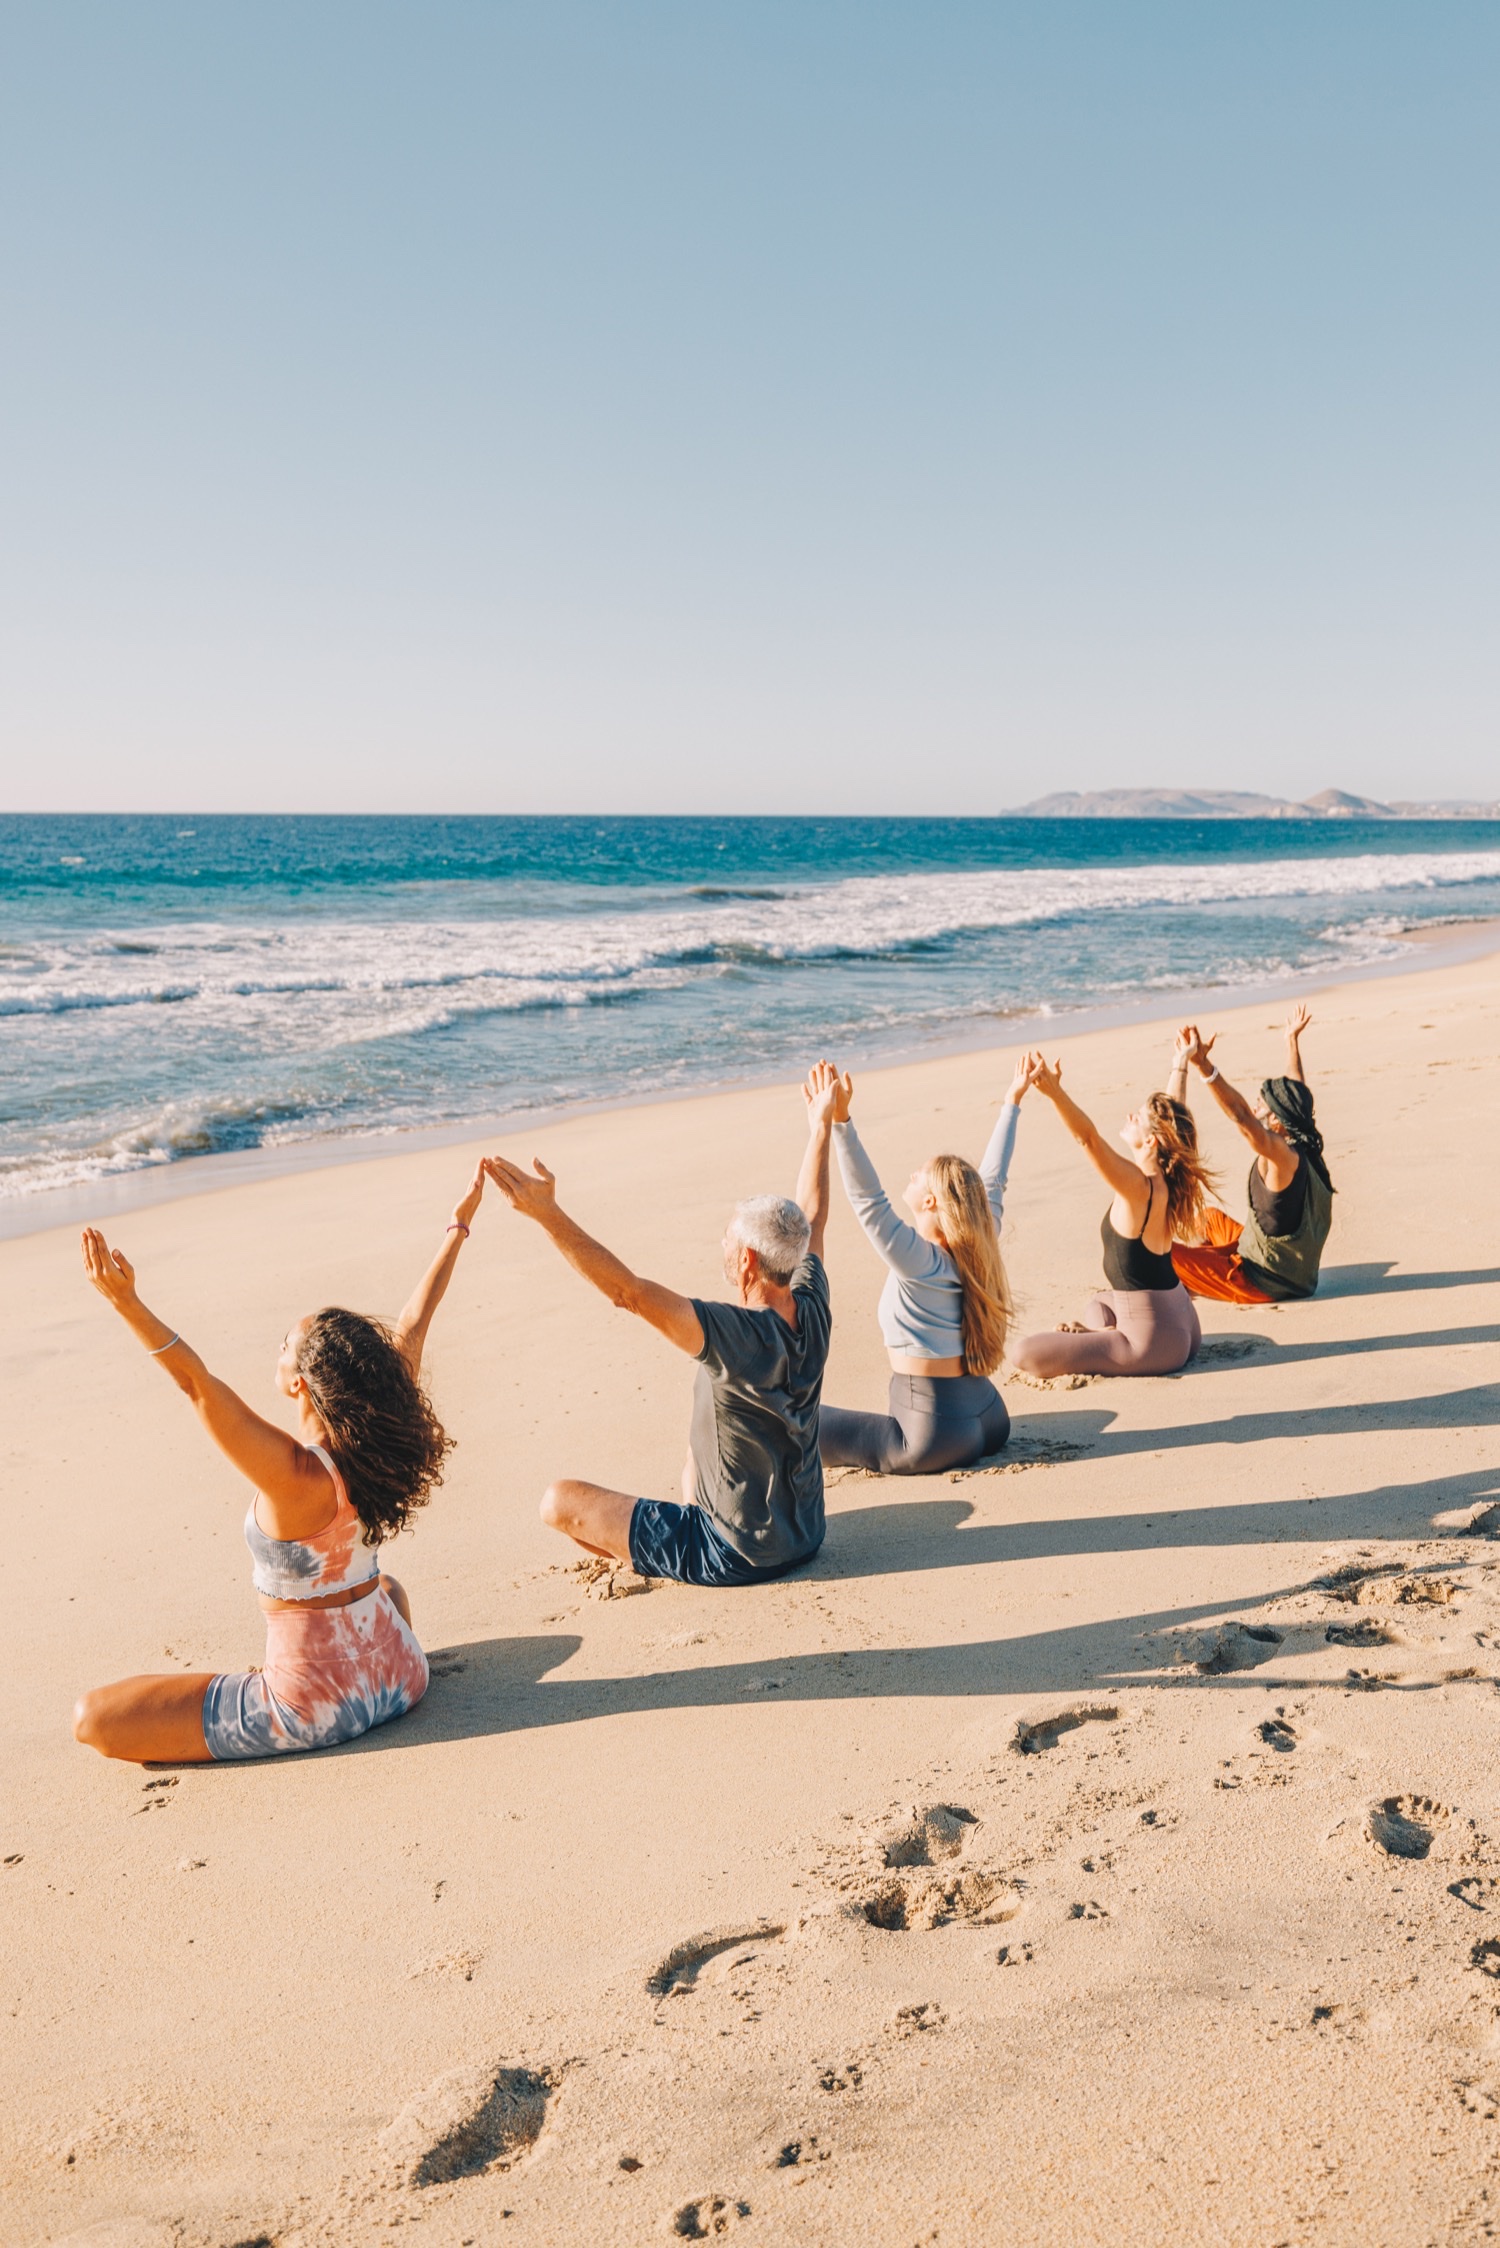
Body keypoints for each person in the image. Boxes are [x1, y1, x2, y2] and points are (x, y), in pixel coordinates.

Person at [72, 1167, 484, 1763]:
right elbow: (416, 1321)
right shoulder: (376, 1439)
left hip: (307, 1709)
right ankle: (359, 1662)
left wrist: (127, 1303)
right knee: (386, 1586)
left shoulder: (295, 1474)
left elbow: (196, 1384)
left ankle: (305, 1678)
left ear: (302, 1385)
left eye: (285, 1346)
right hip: (403, 1679)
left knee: (93, 1719)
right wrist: (458, 1226)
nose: (279, 1348)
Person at [483, 1065, 837, 1586]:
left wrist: (546, 1214)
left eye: (727, 1241)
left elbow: (627, 1292)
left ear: (747, 1263)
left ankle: (662, 1552)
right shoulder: (811, 1303)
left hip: (734, 1554)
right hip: (805, 1534)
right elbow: (814, 1215)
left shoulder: (734, 1335)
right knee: (694, 1453)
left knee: (558, 1503)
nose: (721, 1245)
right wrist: (820, 1126)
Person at [817, 1056, 1033, 1474]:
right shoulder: (978, 1243)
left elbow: (869, 1203)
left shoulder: (921, 1261)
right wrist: (1012, 1101)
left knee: (787, 1424)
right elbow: (992, 1179)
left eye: (921, 1175)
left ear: (932, 1202)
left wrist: (841, 1123)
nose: (913, 1174)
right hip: (988, 1413)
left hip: (931, 1434)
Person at [1009, 1052, 1211, 1377]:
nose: (1130, 1115)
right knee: (1099, 1304)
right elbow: (1177, 1118)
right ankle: (1104, 1337)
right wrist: (1180, 1063)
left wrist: (1054, 1092)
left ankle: (1111, 1341)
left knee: (1024, 1354)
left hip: (1151, 1343)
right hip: (1184, 1321)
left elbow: (1088, 1139)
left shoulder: (1138, 1188)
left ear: (1151, 1140)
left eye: (1139, 1117)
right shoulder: (1172, 1181)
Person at [1168, 1003, 1334, 1304]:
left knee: (1157, 1255)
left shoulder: (1280, 1156)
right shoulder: (1302, 1134)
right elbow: (1295, 1090)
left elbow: (1242, 1116)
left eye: (1265, 1100)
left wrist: (1204, 1067)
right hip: (1289, 1269)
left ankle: (1178, 1288)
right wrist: (1291, 1041)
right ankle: (1194, 1282)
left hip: (1264, 1280)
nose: (1259, 1098)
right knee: (1207, 1219)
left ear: (1277, 1121)